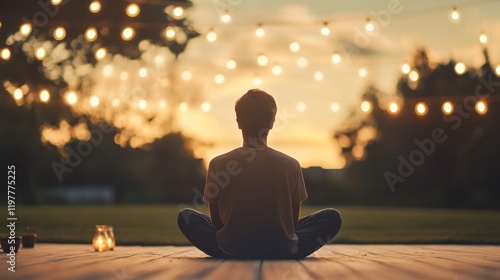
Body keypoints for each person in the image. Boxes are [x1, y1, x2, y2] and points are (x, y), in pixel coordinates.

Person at [178, 89, 342, 259]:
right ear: (272, 123)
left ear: (238, 122)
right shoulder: (291, 165)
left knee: (186, 216)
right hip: (282, 249)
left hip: (230, 249)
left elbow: (217, 223)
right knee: (331, 217)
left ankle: (233, 248)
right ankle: (286, 249)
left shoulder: (218, 163)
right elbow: (291, 224)